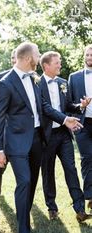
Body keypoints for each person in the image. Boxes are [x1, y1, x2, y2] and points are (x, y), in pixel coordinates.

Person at [0, 42, 83, 233]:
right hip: (16, 142)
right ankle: (23, 229)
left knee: (32, 182)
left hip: (37, 139)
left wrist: (65, 119)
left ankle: (24, 218)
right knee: (24, 181)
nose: (39, 56)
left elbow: (44, 106)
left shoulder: (34, 78)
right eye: (37, 54)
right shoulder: (5, 83)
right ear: (27, 58)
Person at [40, 51, 91, 222]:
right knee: (48, 172)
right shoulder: (36, 83)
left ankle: (80, 209)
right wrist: (65, 119)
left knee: (71, 168)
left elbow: (68, 105)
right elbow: (45, 108)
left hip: (63, 134)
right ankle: (52, 207)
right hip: (46, 136)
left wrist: (80, 106)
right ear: (46, 66)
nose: (60, 65)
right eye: (57, 63)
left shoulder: (63, 82)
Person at [69, 44, 92, 212]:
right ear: (84, 56)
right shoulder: (74, 77)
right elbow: (69, 103)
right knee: (87, 158)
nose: (90, 57)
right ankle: (90, 196)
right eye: (88, 54)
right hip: (82, 123)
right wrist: (81, 106)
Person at [0, 48, 16, 196]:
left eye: (16, 57)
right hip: (4, 125)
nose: (14, 60)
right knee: (2, 156)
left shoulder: (32, 77)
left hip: (21, 126)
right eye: (12, 58)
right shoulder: (0, 77)